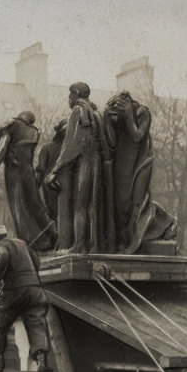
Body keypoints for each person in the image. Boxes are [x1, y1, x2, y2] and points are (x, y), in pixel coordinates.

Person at [45, 82, 116, 254]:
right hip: (96, 164)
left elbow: (71, 144)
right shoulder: (94, 112)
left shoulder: (78, 112)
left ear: (76, 94)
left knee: (80, 205)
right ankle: (91, 245)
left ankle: (78, 246)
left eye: (70, 94)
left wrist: (55, 171)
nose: (69, 98)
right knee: (92, 205)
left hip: (85, 162)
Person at [103, 90, 177, 253]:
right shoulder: (117, 118)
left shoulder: (142, 112)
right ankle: (164, 221)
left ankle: (134, 243)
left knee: (138, 202)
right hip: (122, 165)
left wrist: (129, 115)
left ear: (130, 102)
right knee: (122, 205)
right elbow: (112, 142)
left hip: (141, 163)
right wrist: (107, 119)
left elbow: (137, 135)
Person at [0, 225, 52, 372]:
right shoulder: (22, 244)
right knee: (36, 323)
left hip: (14, 291)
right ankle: (41, 361)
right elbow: (36, 261)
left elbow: (3, 256)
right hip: (35, 290)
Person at [0, 110, 56, 251]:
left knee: (18, 207)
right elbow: (31, 156)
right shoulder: (34, 132)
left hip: (14, 170)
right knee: (36, 206)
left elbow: (2, 148)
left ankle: (30, 243)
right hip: (28, 171)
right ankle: (53, 235)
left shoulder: (11, 125)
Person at [35, 118, 67, 240]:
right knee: (57, 214)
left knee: (56, 214)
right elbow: (40, 170)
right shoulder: (47, 149)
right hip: (53, 187)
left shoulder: (47, 148)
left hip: (53, 187)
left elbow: (39, 171)